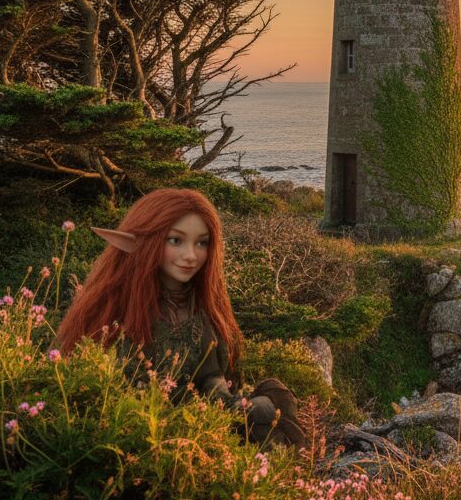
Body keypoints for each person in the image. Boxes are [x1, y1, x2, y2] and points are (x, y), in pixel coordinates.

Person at [54, 188, 307, 449]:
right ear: (147, 241)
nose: (190, 256)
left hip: (193, 430)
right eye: (176, 240)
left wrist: (231, 404)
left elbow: (211, 377)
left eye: (202, 243)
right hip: (123, 434)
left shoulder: (202, 308)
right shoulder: (112, 308)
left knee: (267, 409)